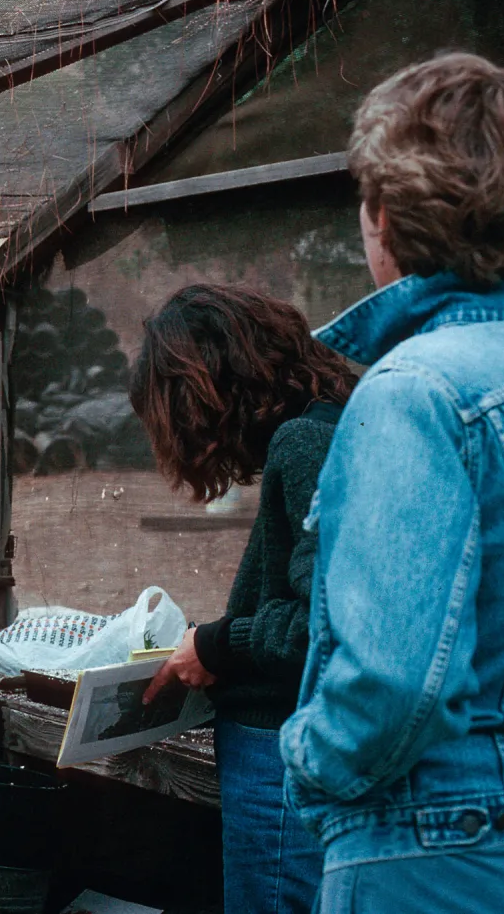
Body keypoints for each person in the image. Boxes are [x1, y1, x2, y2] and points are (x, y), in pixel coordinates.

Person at [280, 52, 504, 913]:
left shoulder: (416, 390)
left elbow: (389, 685)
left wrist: (309, 757)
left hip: (435, 847)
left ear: (386, 214)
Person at [128, 284, 355, 914]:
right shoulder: (341, 421)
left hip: (280, 748)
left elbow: (331, 622)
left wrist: (218, 644)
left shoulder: (305, 444)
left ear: (208, 392)